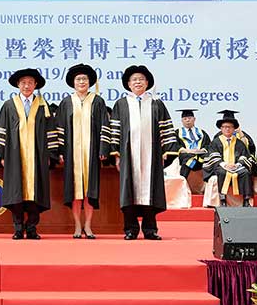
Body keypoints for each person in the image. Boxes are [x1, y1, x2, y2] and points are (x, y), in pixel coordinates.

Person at [100, 65, 177, 240]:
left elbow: (166, 129)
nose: (138, 82)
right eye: (134, 80)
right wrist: (117, 155)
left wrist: (165, 153)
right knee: (129, 192)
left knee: (151, 191)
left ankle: (150, 229)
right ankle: (131, 229)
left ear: (147, 83)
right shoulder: (121, 104)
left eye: (141, 79)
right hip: (129, 156)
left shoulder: (156, 103)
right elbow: (115, 131)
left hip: (152, 156)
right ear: (128, 84)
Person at [0, 68, 58, 240]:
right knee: (16, 193)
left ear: (35, 85)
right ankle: (18, 228)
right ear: (18, 85)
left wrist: (50, 155)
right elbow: (1, 130)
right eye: (23, 83)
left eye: (30, 83)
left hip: (37, 157)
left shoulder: (43, 106)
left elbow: (51, 132)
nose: (26, 86)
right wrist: (1, 155)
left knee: (36, 194)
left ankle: (32, 227)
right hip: (15, 156)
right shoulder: (9, 105)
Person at [56, 64, 108, 239]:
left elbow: (104, 127)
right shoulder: (66, 102)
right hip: (72, 155)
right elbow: (59, 128)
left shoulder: (98, 101)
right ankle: (77, 225)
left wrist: (103, 149)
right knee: (75, 191)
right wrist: (61, 151)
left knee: (89, 191)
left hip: (92, 153)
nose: (81, 82)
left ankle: (88, 225)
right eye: (78, 79)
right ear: (73, 82)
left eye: (84, 79)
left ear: (90, 82)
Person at [203, 110, 254, 207]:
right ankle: (222, 199)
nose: (227, 129)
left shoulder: (239, 142)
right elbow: (213, 156)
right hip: (221, 166)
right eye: (225, 127)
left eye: (230, 127)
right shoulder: (216, 142)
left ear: (234, 129)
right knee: (222, 172)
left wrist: (237, 165)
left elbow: (245, 156)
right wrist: (225, 165)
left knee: (245, 173)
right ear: (221, 128)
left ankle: (246, 199)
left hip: (236, 167)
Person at [175, 109, 211, 179]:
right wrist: (187, 150)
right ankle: (183, 179)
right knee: (188, 159)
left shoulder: (202, 132)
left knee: (211, 158)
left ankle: (209, 181)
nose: (187, 120)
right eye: (185, 119)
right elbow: (175, 145)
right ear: (182, 121)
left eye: (189, 118)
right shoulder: (177, 133)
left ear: (194, 119)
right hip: (186, 155)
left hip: (201, 156)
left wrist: (202, 150)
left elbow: (208, 145)